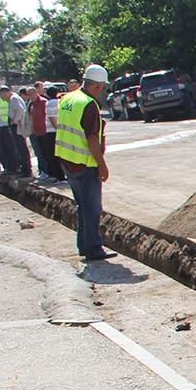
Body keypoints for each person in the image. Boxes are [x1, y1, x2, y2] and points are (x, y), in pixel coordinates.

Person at [54, 64, 116, 262]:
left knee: (82, 206)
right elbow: (91, 139)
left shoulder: (68, 98)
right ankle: (93, 249)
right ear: (98, 86)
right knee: (91, 208)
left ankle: (84, 245)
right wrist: (102, 164)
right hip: (83, 164)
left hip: (66, 160)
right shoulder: (89, 105)